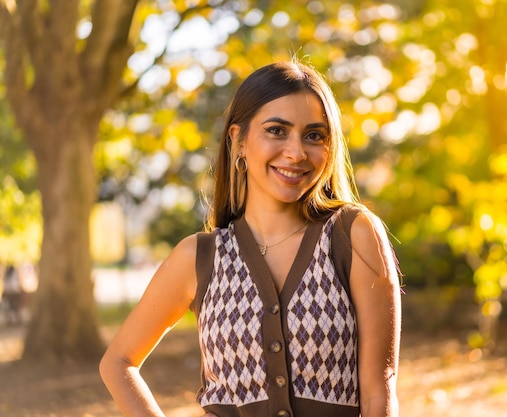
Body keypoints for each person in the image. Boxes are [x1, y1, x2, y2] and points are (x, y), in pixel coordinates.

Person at [100, 59, 402, 417]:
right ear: (238, 140)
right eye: (277, 130)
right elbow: (118, 362)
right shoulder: (201, 257)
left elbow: (378, 390)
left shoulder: (352, 235)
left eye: (314, 135)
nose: (296, 152)